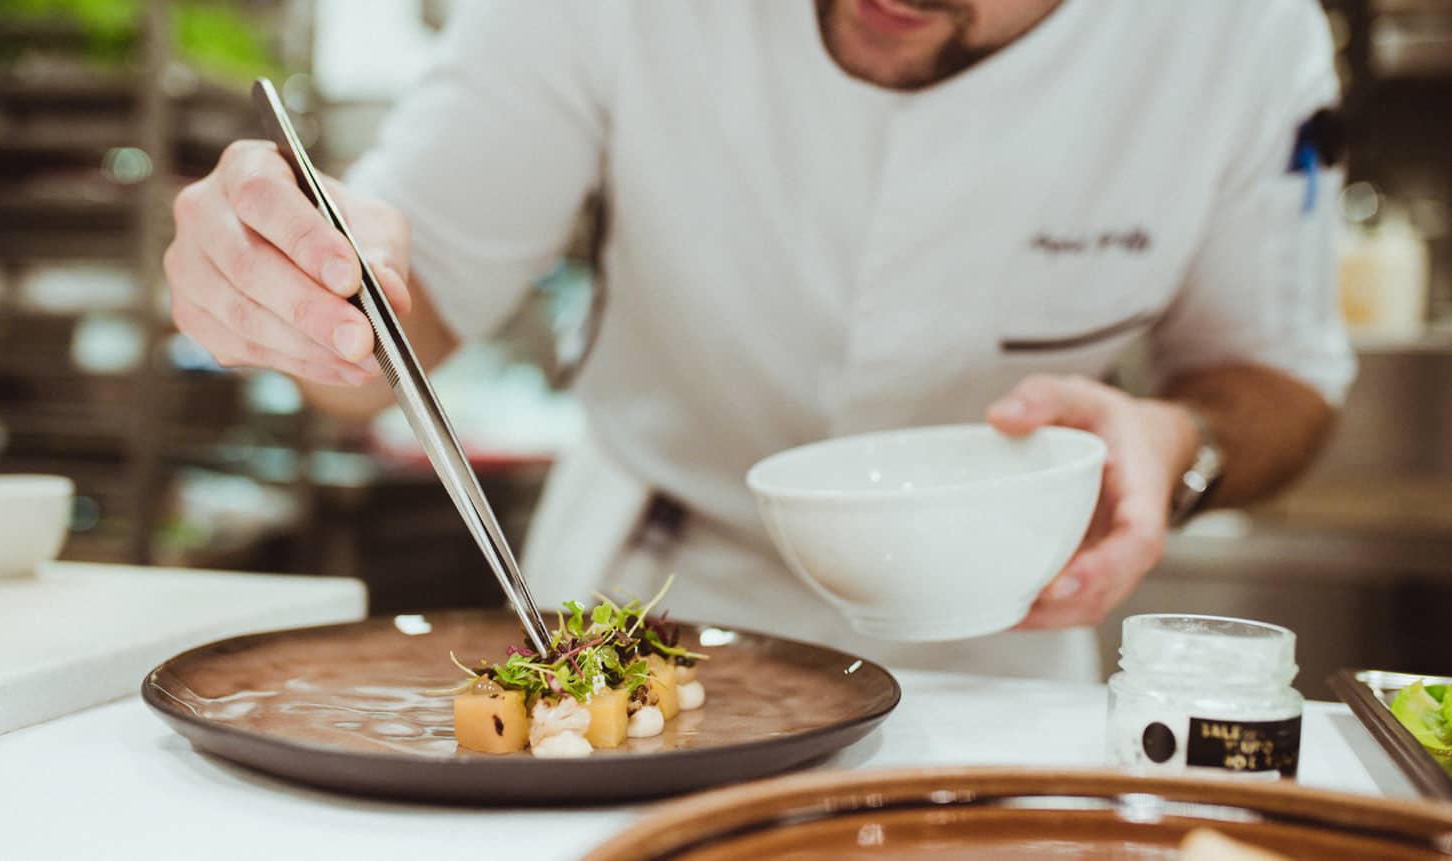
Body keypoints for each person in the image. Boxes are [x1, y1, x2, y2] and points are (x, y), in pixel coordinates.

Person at [162, 0, 1354, 681]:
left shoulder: (1235, 35)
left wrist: (1178, 445)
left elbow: (1279, 379)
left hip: (993, 628)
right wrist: (303, 295)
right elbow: (390, 333)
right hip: (650, 588)